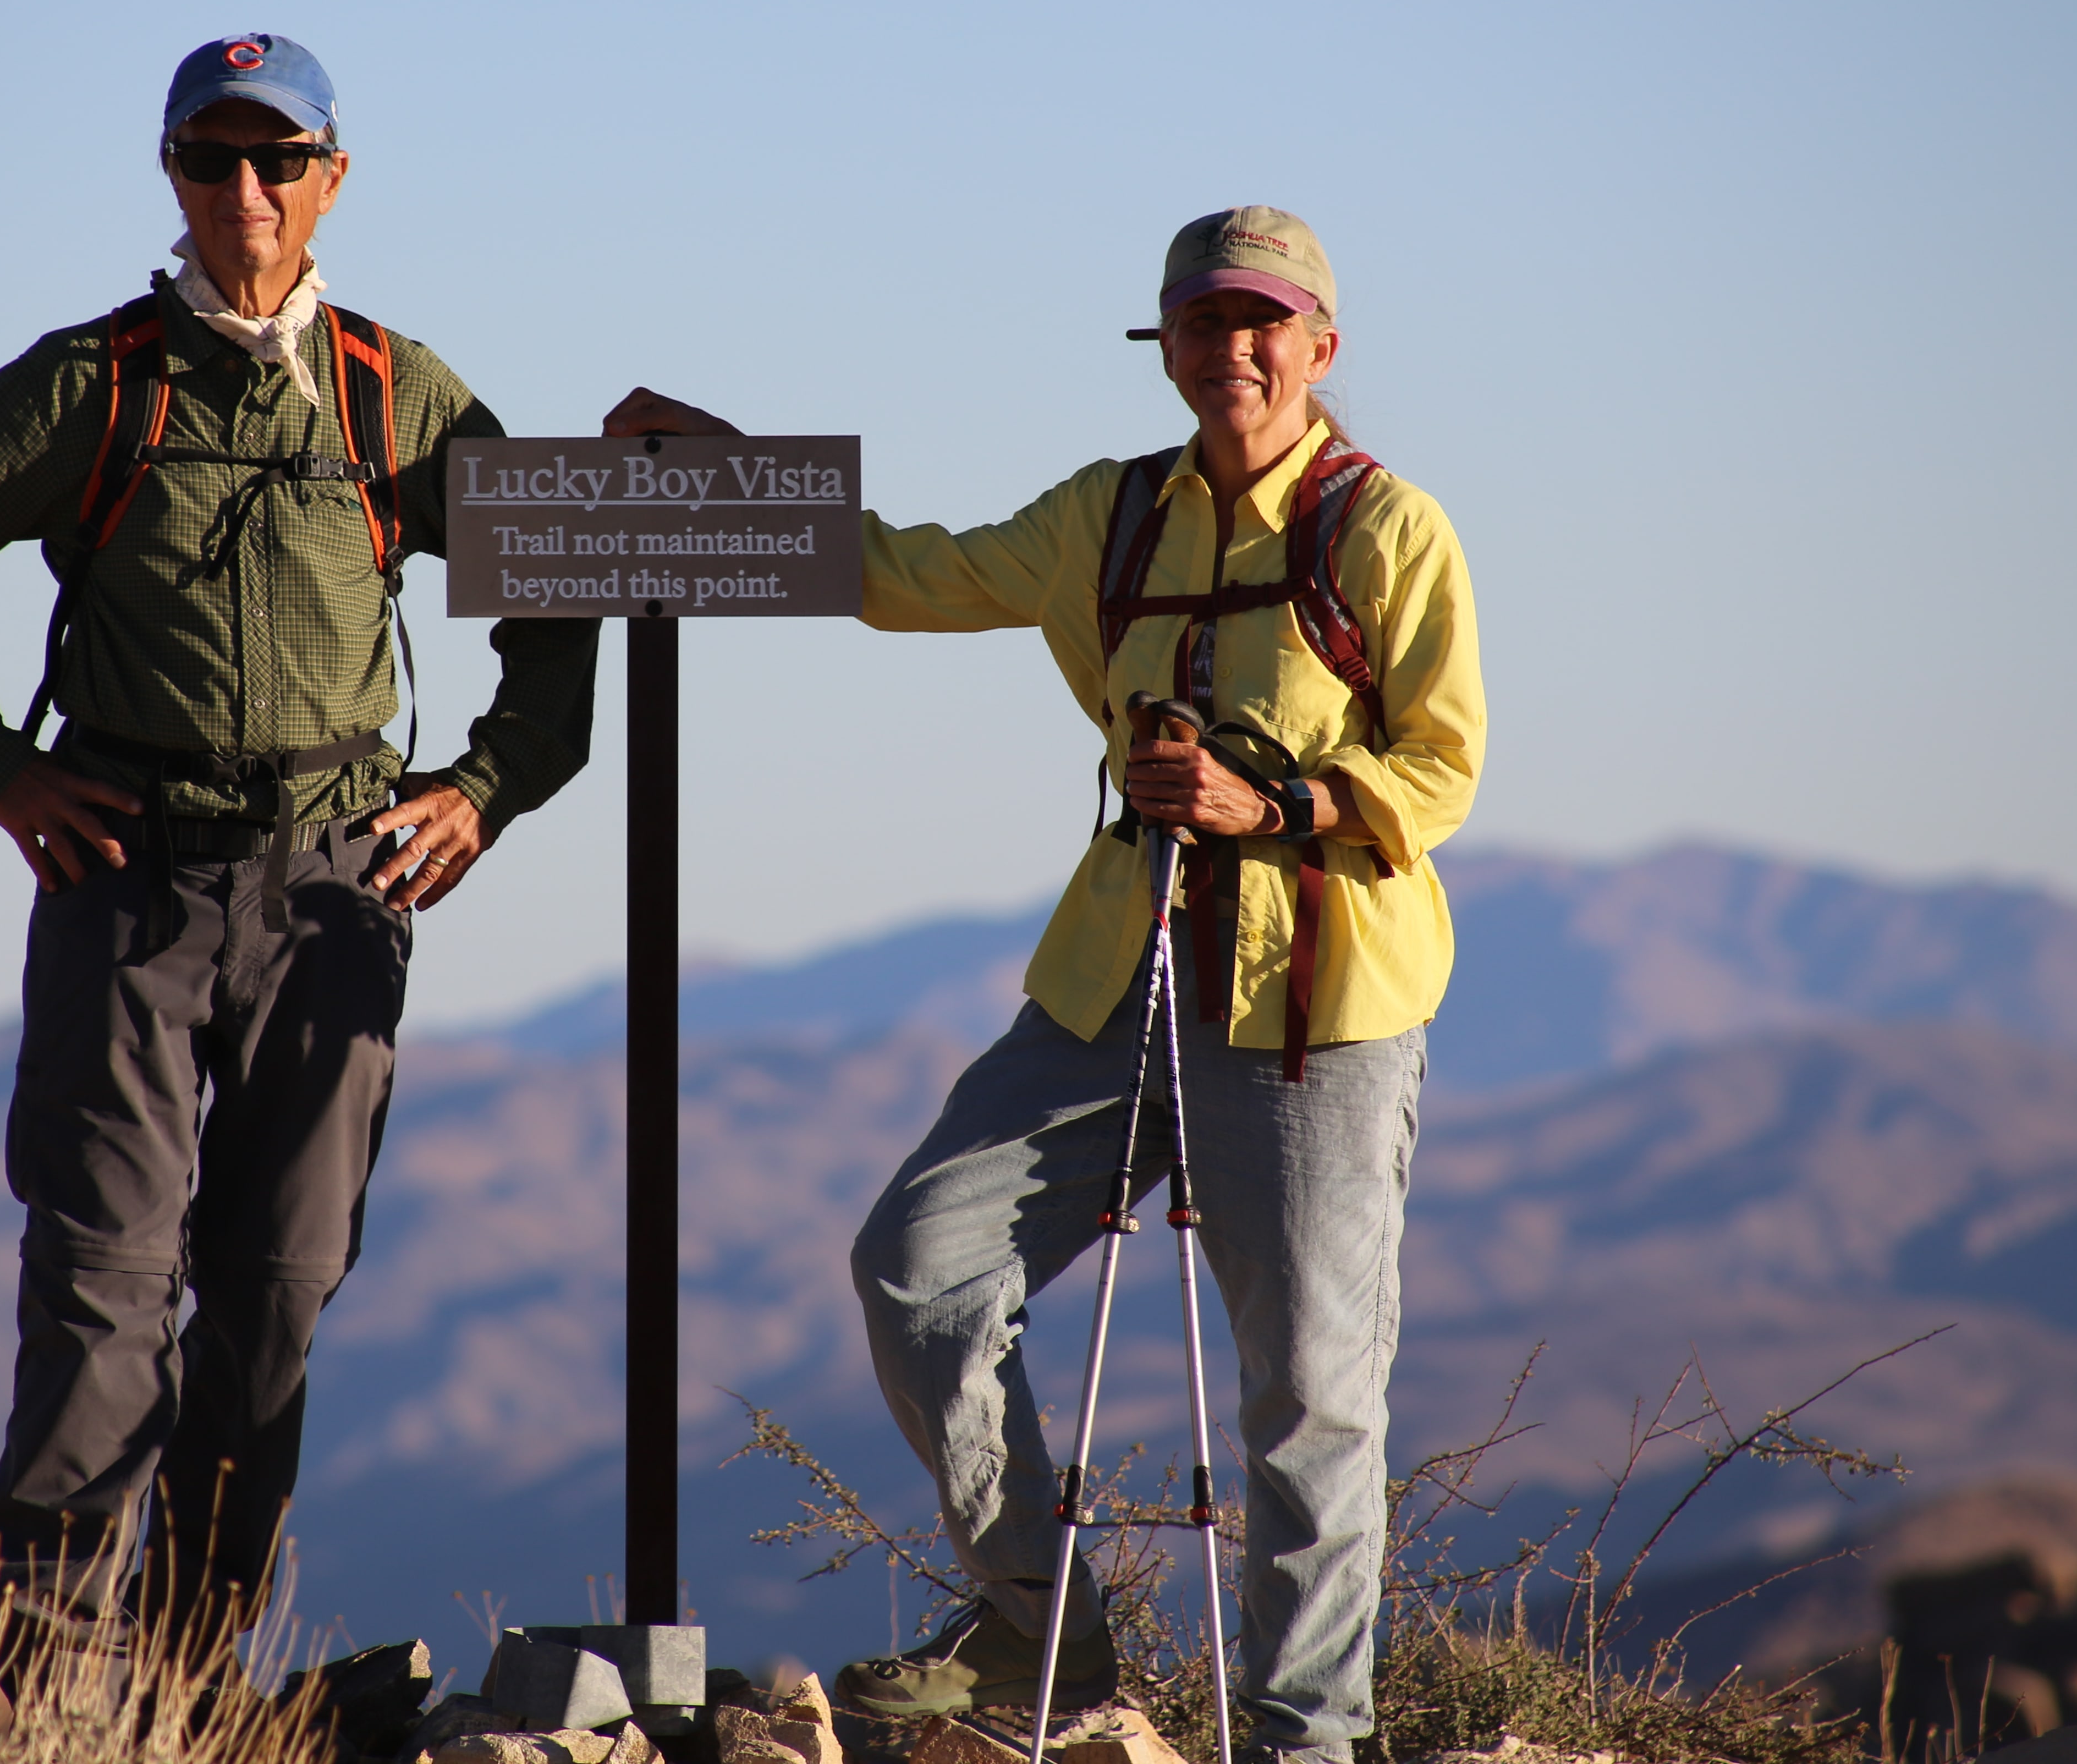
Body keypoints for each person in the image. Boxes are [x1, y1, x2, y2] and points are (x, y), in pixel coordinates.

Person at [606, 207, 1483, 1763]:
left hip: (1315, 1011)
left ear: (1323, 348)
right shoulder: (1113, 517)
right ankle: (1042, 1634)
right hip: (1118, 977)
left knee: (1307, 1396)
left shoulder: (1387, 531)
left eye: (1267, 323)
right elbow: (902, 576)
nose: (1238, 352)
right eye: (1208, 325)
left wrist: (1270, 805)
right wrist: (731, 475)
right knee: (921, 1265)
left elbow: (1442, 767)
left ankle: (1307, 1738)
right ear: (1169, 349)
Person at [0, 34, 601, 1662]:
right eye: (208, 160)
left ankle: (191, 1686)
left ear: (333, 177)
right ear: (171, 176)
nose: (242, 193)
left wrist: (487, 785)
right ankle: (44, 1683)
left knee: (276, 1297)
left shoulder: (399, 392)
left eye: (276, 160)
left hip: (341, 891)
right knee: (105, 1298)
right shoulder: (89, 384)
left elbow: (555, 585)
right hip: (124, 885)